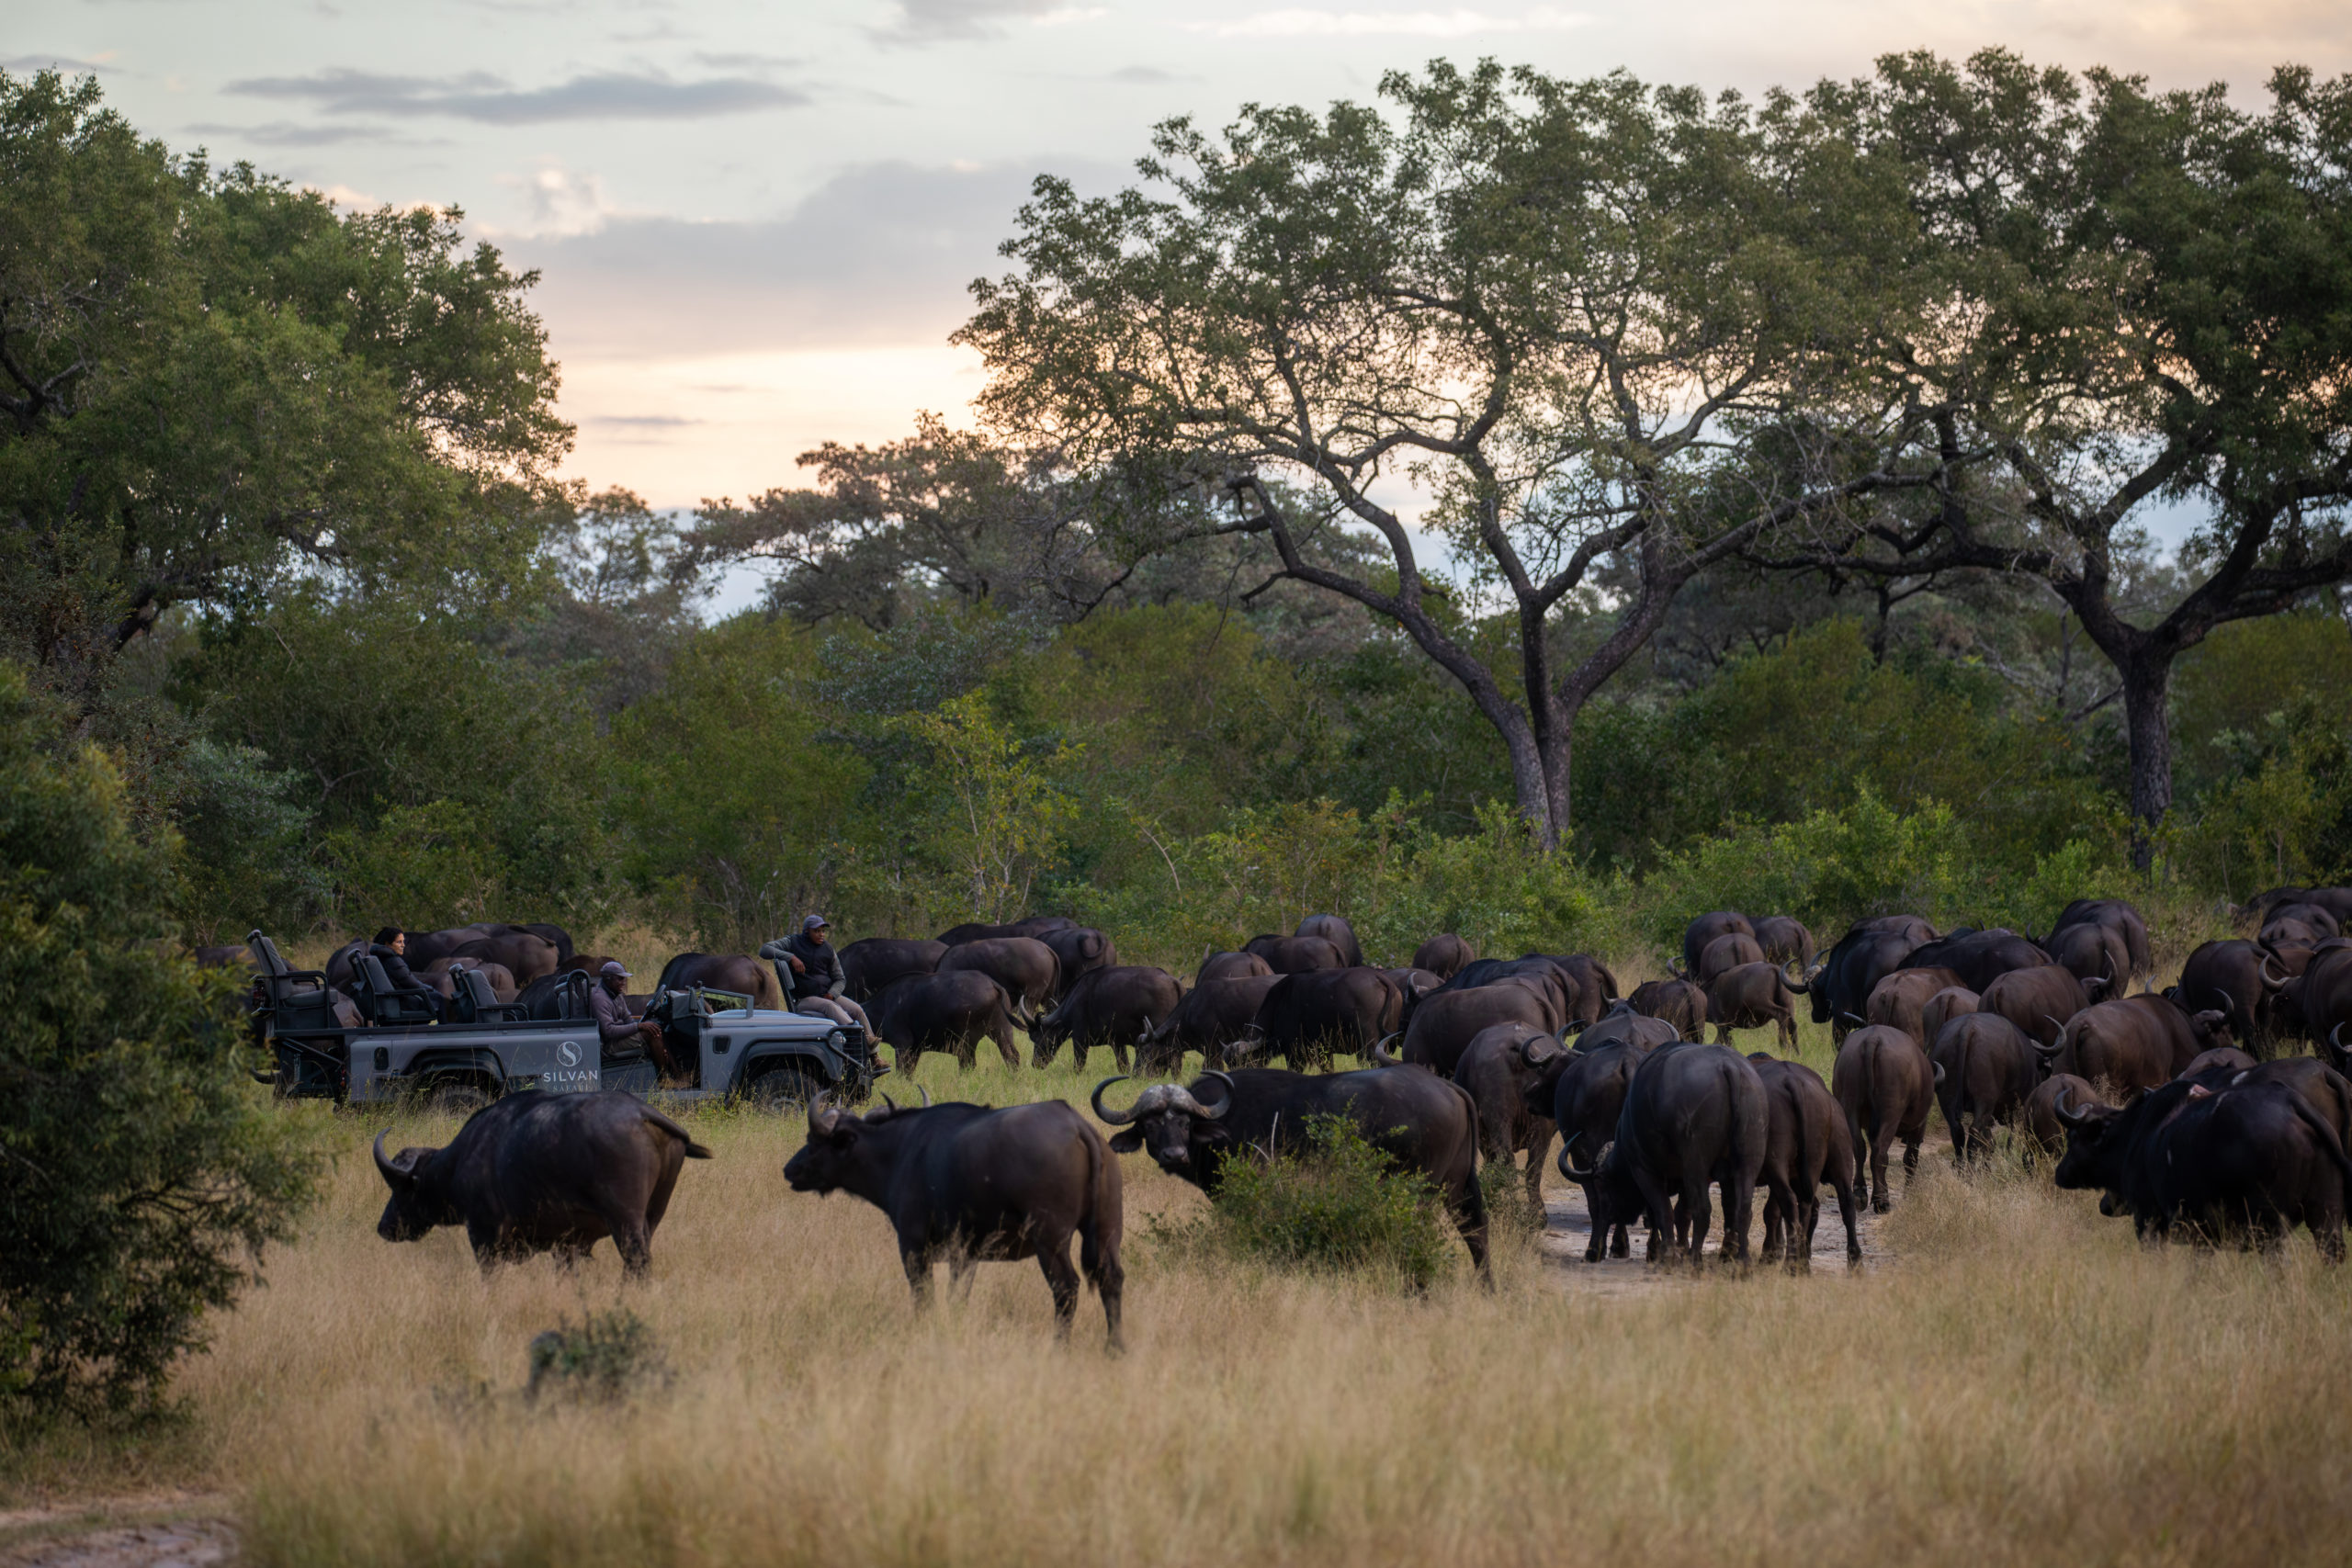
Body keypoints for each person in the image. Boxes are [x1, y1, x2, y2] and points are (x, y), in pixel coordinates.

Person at [759, 916, 872, 1032]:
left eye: (823, 931)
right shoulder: (793, 942)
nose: (821, 934)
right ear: (807, 931)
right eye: (817, 931)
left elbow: (840, 979)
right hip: (804, 999)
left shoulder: (828, 949)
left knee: (857, 1010)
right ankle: (854, 1035)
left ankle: (871, 1044)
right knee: (830, 1007)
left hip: (827, 996)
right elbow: (765, 950)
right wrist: (791, 957)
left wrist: (832, 993)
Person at [592, 960, 684, 1084]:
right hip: (609, 1045)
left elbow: (628, 1019)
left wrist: (643, 1025)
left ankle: (678, 1075)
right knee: (652, 1034)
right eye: (620, 979)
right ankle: (664, 1080)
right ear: (608, 979)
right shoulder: (599, 998)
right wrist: (639, 1026)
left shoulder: (616, 994)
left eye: (624, 979)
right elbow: (609, 1031)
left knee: (657, 1028)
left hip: (618, 1038)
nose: (624, 983)